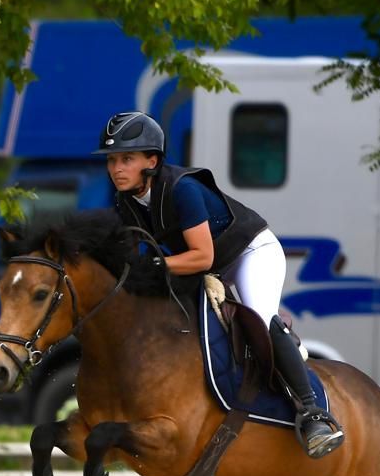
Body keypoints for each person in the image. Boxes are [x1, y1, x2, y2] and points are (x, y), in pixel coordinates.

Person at [94, 110, 343, 457]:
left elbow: (202, 257)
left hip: (249, 252)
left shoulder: (183, 189)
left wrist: (155, 264)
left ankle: (314, 413)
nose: (116, 168)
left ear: (151, 160)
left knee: (258, 315)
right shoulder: (127, 202)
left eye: (127, 159)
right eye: (112, 160)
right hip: (206, 264)